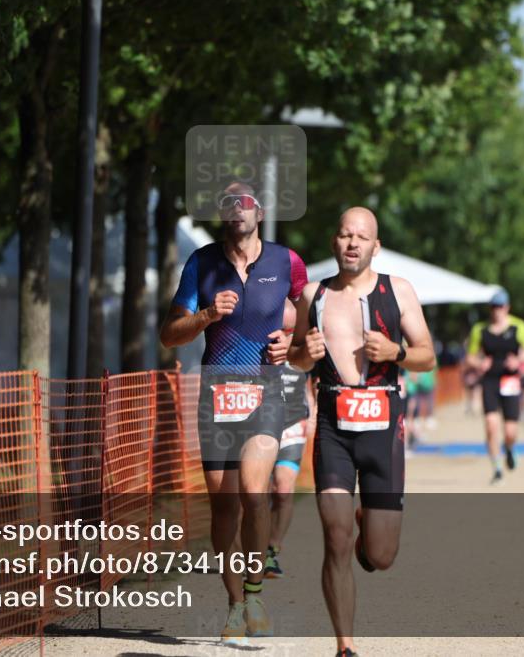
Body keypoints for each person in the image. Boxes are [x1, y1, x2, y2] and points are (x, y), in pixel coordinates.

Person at [159, 181, 307, 644]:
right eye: (228, 203)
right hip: (217, 394)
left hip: (265, 391)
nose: (236, 209)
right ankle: (235, 602)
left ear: (259, 212)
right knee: (223, 511)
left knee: (253, 491)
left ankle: (256, 591)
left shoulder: (286, 261)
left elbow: (310, 313)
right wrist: (205, 316)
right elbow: (169, 334)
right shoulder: (201, 263)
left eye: (244, 202)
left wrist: (295, 343)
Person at [289, 207, 435, 657]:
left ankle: (366, 523)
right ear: (334, 242)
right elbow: (294, 356)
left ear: (376, 247)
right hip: (333, 427)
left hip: (383, 428)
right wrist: (304, 354)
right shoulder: (312, 295)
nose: (352, 243)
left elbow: (427, 356)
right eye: (345, 234)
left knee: (380, 556)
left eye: (362, 237)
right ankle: (345, 646)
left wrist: (396, 351)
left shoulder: (399, 291)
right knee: (335, 539)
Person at [465, 290, 524, 484]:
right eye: (495, 307)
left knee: (510, 430)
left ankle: (510, 448)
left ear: (507, 307)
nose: (498, 311)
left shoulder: (518, 326)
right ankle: (496, 467)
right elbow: (470, 356)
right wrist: (479, 364)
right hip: (489, 381)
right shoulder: (480, 330)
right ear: (491, 309)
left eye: (501, 306)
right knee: (490, 425)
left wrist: (520, 360)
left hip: (510, 381)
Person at [264, 300, 312, 579]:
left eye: (290, 328)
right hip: (259, 420)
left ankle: (272, 550)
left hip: (293, 421)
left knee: (282, 489)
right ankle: (250, 550)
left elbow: (317, 374)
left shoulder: (306, 335)